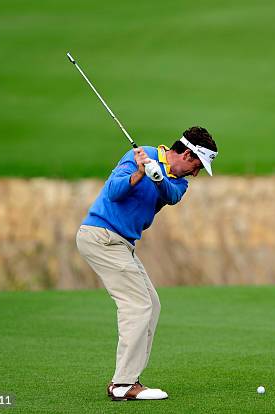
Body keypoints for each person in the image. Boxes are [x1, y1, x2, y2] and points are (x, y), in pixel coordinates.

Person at [76, 126, 218, 401]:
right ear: (188, 154)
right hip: (101, 236)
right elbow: (113, 192)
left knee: (151, 304)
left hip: (122, 244)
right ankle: (123, 384)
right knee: (137, 304)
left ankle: (131, 378)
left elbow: (170, 195)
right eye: (197, 165)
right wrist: (140, 172)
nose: (196, 173)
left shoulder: (180, 182)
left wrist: (156, 176)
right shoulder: (138, 156)